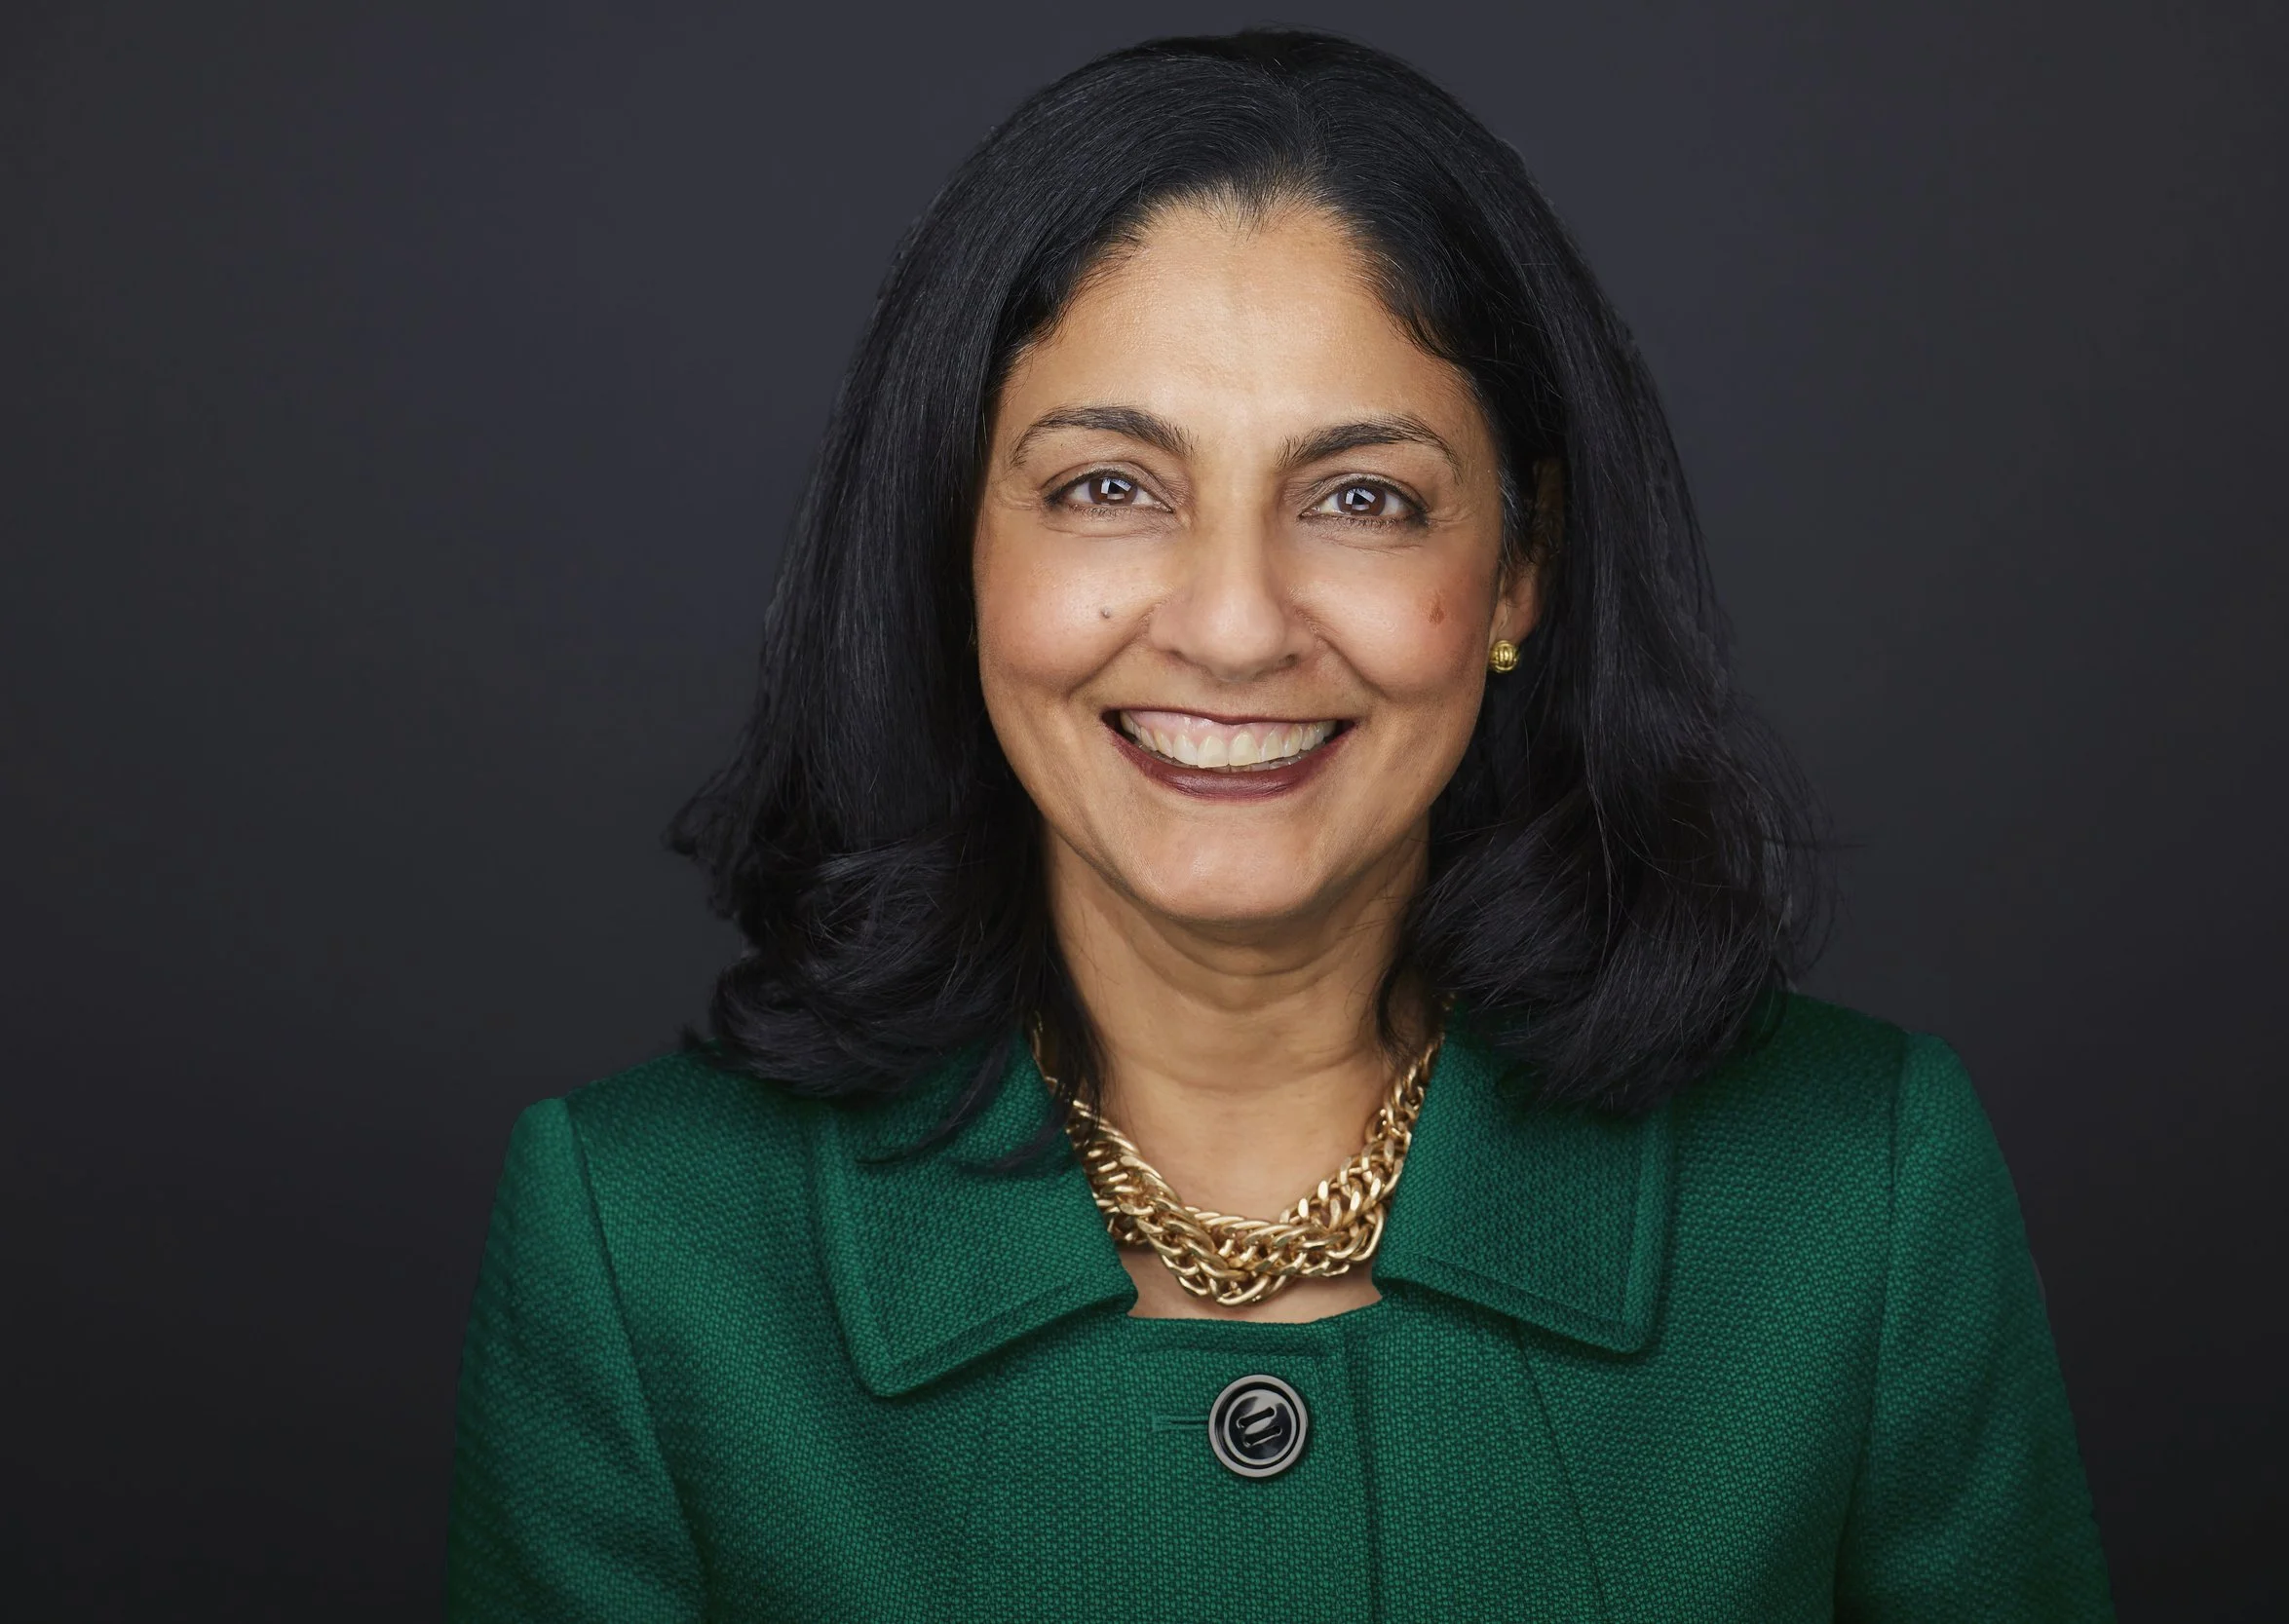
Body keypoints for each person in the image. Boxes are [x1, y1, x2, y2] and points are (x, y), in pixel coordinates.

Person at [445, 28, 2112, 1621]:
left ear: (1521, 571)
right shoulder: (637, 1246)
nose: (1235, 626)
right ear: (960, 549)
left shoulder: (1860, 1195)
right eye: (1110, 486)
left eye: (1362, 498)